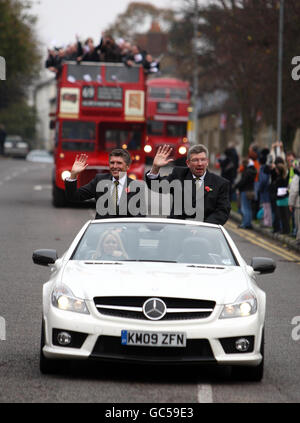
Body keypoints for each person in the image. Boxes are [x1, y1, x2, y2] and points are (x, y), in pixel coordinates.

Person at [145, 144, 231, 225]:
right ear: (188, 163)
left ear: (207, 162)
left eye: (203, 159)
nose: (200, 163)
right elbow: (157, 186)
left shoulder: (221, 183)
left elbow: (222, 212)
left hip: (205, 232)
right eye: (195, 160)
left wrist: (202, 227)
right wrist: (155, 167)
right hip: (177, 230)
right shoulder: (179, 175)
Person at [65, 148, 145, 219]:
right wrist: (73, 175)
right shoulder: (99, 180)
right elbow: (73, 196)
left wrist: (122, 229)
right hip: (102, 232)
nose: (114, 166)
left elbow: (140, 216)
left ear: (127, 167)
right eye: (112, 163)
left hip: (124, 232)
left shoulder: (136, 187)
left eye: (119, 163)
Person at [234, 158, 257, 229]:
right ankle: (249, 223)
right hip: (251, 191)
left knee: (244, 208)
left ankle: (245, 224)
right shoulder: (253, 171)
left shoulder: (246, 171)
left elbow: (243, 181)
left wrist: (236, 186)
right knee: (249, 208)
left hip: (245, 191)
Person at [289, 171, 300, 245]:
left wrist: (291, 203)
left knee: (298, 223)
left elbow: (294, 191)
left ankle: (299, 239)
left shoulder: (297, 177)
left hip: (298, 204)